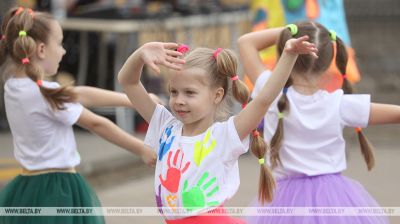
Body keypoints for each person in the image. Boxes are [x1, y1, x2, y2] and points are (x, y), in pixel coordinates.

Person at [117, 35, 317, 222]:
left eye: (190, 93)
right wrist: (141, 54)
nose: (179, 100)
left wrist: (289, 56)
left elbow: (264, 100)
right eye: (174, 92)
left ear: (217, 95)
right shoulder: (165, 126)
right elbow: (128, 81)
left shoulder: (225, 135)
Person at [0, 7, 156, 224]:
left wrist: (136, 100)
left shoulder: (14, 86)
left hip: (27, 185)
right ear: (42, 50)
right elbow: (96, 123)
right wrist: (141, 149)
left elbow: (81, 94)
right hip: (57, 190)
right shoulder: (45, 94)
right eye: (60, 43)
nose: (63, 51)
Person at [238, 21, 391, 223]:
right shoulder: (339, 104)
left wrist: (290, 32)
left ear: (285, 52)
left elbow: (245, 42)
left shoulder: (269, 91)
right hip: (335, 199)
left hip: (284, 202)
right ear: (329, 63)